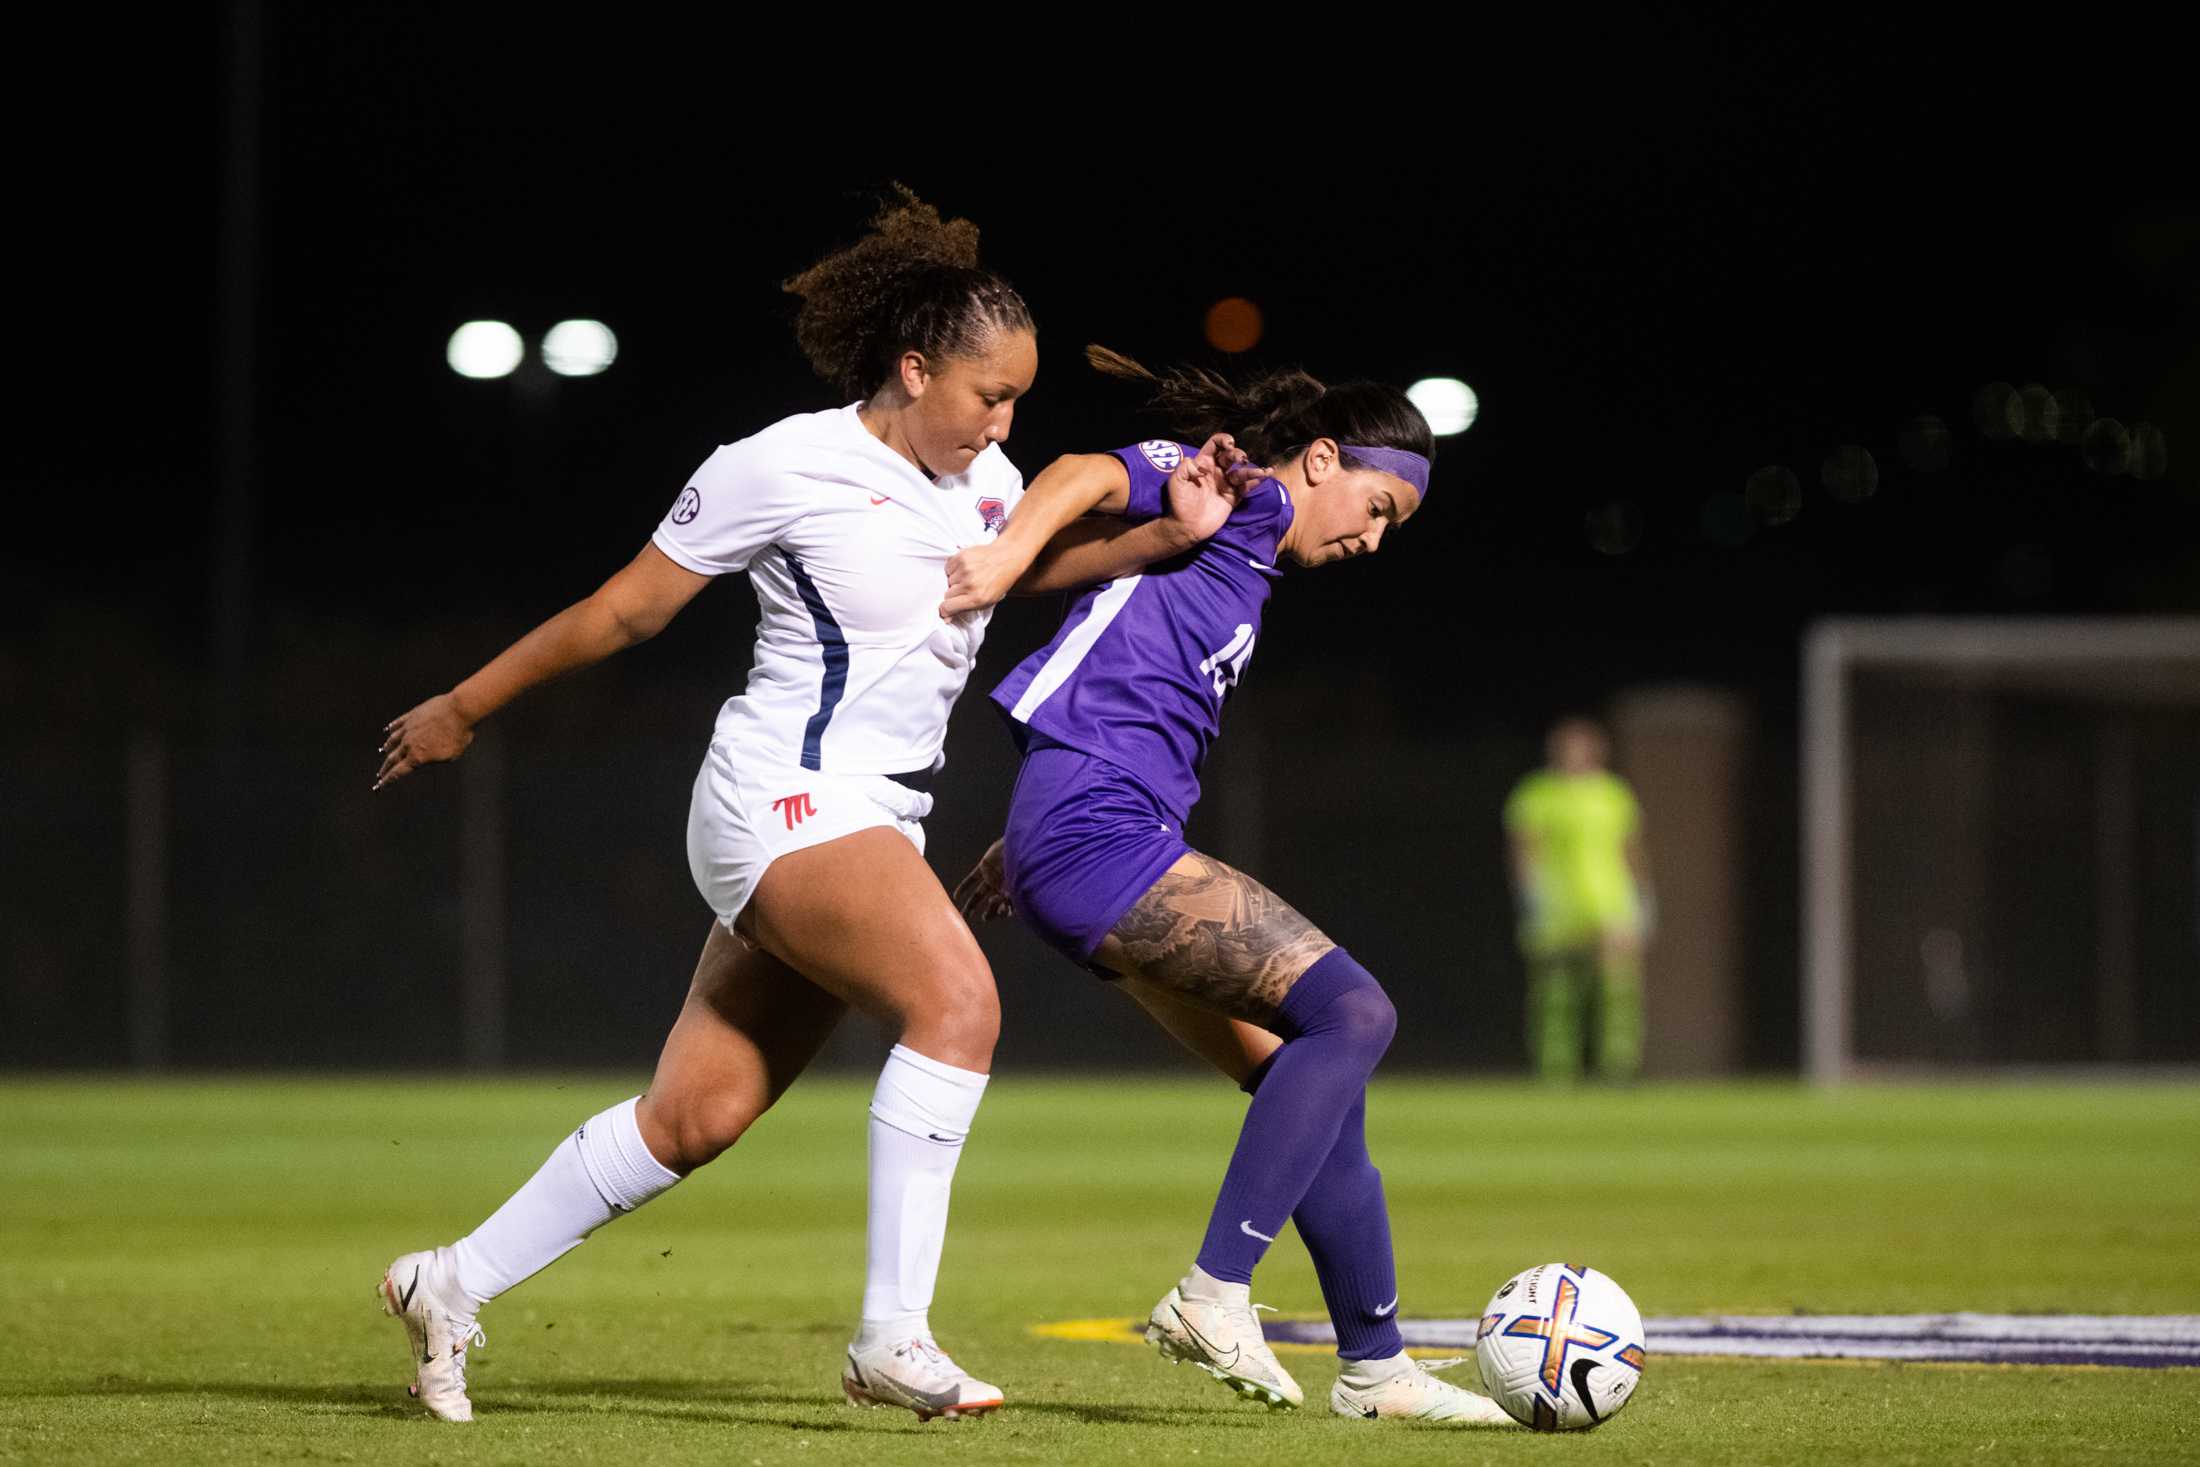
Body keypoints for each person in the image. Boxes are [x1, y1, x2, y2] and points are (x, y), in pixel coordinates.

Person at [368, 194, 1247, 1424]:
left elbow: (1019, 574)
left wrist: (1162, 533)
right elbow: (627, 610)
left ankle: (449, 1281)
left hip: (870, 818)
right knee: (955, 1001)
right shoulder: (780, 464)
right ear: (913, 368)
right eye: (988, 395)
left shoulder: (981, 477)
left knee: (695, 1116)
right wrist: (465, 703)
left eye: (1019, 401)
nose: (1006, 422)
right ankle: (893, 1338)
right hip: (781, 796)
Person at [953, 349, 1515, 1427]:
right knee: (1353, 1012)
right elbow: (1080, 470)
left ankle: (1375, 1367)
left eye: (1396, 524)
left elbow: (1114, 675)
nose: (1373, 536)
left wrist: (1021, 829)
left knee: (1315, 1102)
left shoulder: (1246, 557)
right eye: (1377, 504)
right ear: (1317, 458)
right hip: (1098, 839)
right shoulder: (1237, 492)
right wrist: (1003, 555)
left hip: (1086, 831)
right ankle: (1214, 1292)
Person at [1503, 717, 1653, 1083]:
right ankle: (1556, 1069)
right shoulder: (1537, 793)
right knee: (1557, 993)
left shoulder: (1613, 793)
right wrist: (1531, 896)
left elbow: (1631, 849)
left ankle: (1618, 1067)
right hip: (1558, 905)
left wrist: (1642, 898)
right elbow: (1523, 849)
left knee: (1618, 989)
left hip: (1609, 902)